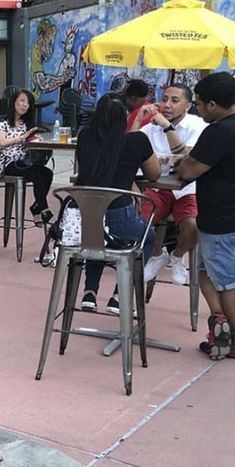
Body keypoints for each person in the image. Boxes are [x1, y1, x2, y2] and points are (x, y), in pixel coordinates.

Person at [176, 72, 235, 361]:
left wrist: (183, 162)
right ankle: (219, 321)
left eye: (199, 105)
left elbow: (189, 170)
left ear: (213, 105)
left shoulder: (219, 131)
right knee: (204, 271)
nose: (198, 110)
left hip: (224, 216)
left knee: (228, 280)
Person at [75, 93, 160, 315]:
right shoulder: (137, 141)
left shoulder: (84, 137)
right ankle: (118, 295)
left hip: (85, 216)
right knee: (148, 237)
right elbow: (154, 173)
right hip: (119, 215)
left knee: (98, 239)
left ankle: (89, 293)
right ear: (124, 117)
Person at [139, 83, 206, 286]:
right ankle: (157, 254)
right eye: (164, 99)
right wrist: (138, 121)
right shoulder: (151, 127)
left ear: (187, 106)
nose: (167, 105)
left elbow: (187, 158)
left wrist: (168, 128)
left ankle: (177, 256)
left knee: (192, 227)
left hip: (187, 188)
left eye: (174, 100)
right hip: (157, 187)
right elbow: (129, 147)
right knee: (139, 223)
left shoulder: (198, 126)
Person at [0, 88, 54, 224]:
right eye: (22, 101)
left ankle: (36, 206)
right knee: (36, 175)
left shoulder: (25, 124)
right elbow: (1, 142)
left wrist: (35, 140)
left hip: (24, 161)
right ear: (14, 102)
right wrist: (21, 138)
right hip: (8, 163)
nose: (25, 105)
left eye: (28, 103)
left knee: (47, 173)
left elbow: (28, 143)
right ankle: (43, 209)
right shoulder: (3, 123)